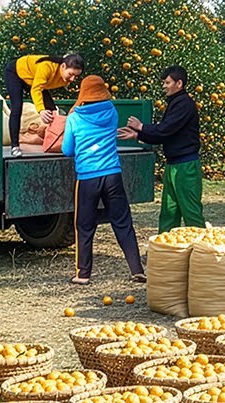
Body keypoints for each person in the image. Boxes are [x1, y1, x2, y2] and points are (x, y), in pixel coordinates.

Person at [62, 76, 145, 285]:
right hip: (112, 175)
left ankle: (83, 274)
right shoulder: (111, 112)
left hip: (88, 178)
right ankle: (136, 269)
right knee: (123, 221)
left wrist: (72, 117)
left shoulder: (74, 118)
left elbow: (67, 150)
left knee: (84, 225)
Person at [117, 65, 203, 233]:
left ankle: (202, 252)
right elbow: (164, 134)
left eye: (167, 82)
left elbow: (166, 129)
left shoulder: (185, 104)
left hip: (186, 166)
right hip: (173, 165)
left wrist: (141, 127)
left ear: (179, 83)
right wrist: (137, 135)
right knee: (169, 212)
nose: (164, 86)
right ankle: (165, 249)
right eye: (163, 82)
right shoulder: (175, 103)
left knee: (191, 212)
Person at [4, 53, 84, 157]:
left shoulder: (63, 75)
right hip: (15, 72)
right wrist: (41, 110)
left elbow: (43, 89)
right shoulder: (47, 66)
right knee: (17, 107)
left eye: (76, 76)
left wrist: (51, 110)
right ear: (63, 66)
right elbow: (36, 89)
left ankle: (56, 141)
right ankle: (15, 146)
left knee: (53, 109)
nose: (72, 79)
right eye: (71, 74)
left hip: (32, 79)